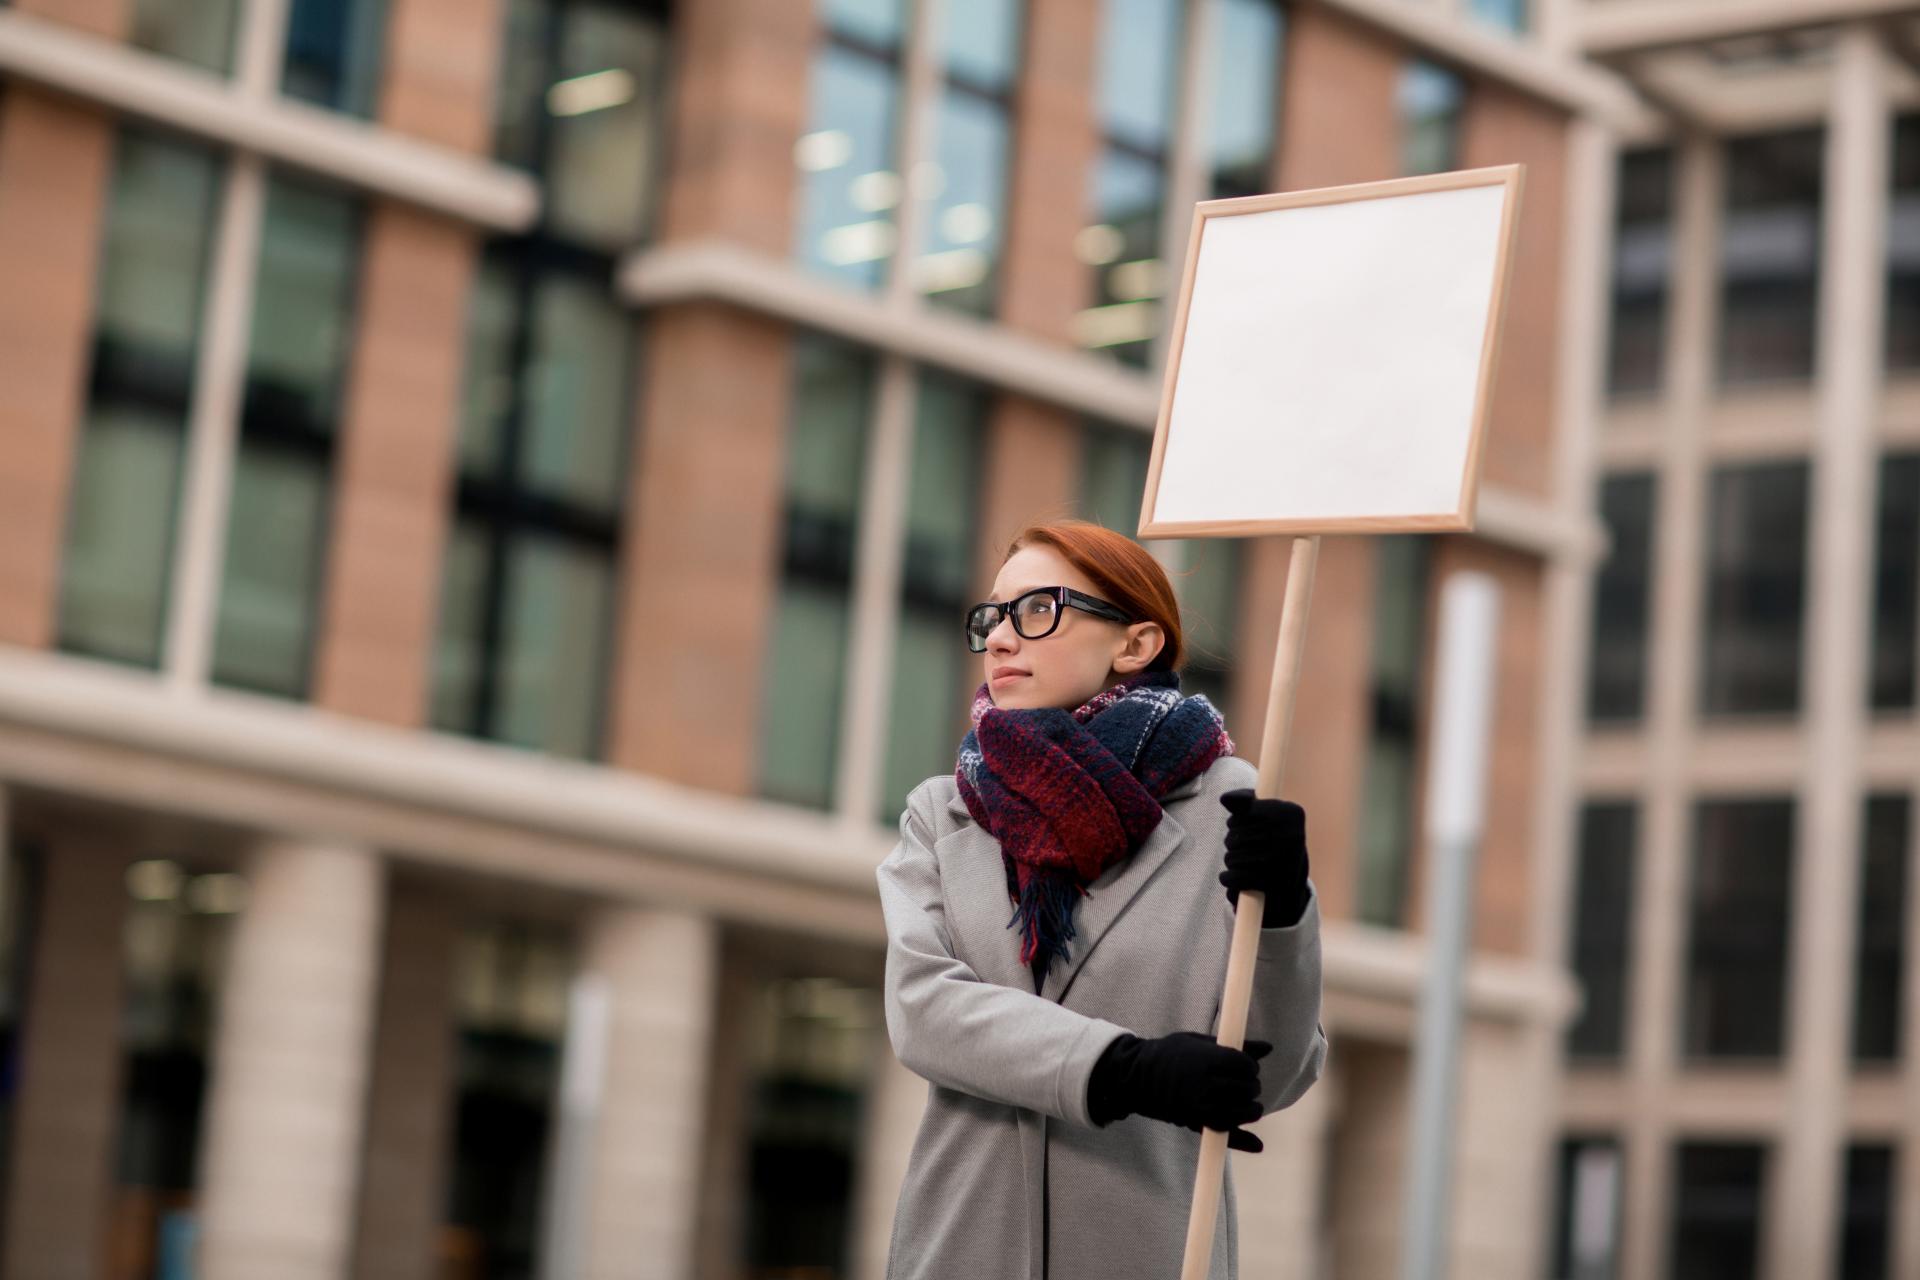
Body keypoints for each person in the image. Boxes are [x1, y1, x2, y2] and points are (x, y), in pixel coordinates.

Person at [875, 519, 1327, 1279]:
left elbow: (1271, 1074)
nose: (1001, 640)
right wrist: (1123, 1068)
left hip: (1148, 1252)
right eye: (992, 617)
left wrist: (1284, 912)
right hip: (960, 1252)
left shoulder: (1231, 806)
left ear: (1135, 644)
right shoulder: (943, 811)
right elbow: (923, 1010)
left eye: (1038, 610)